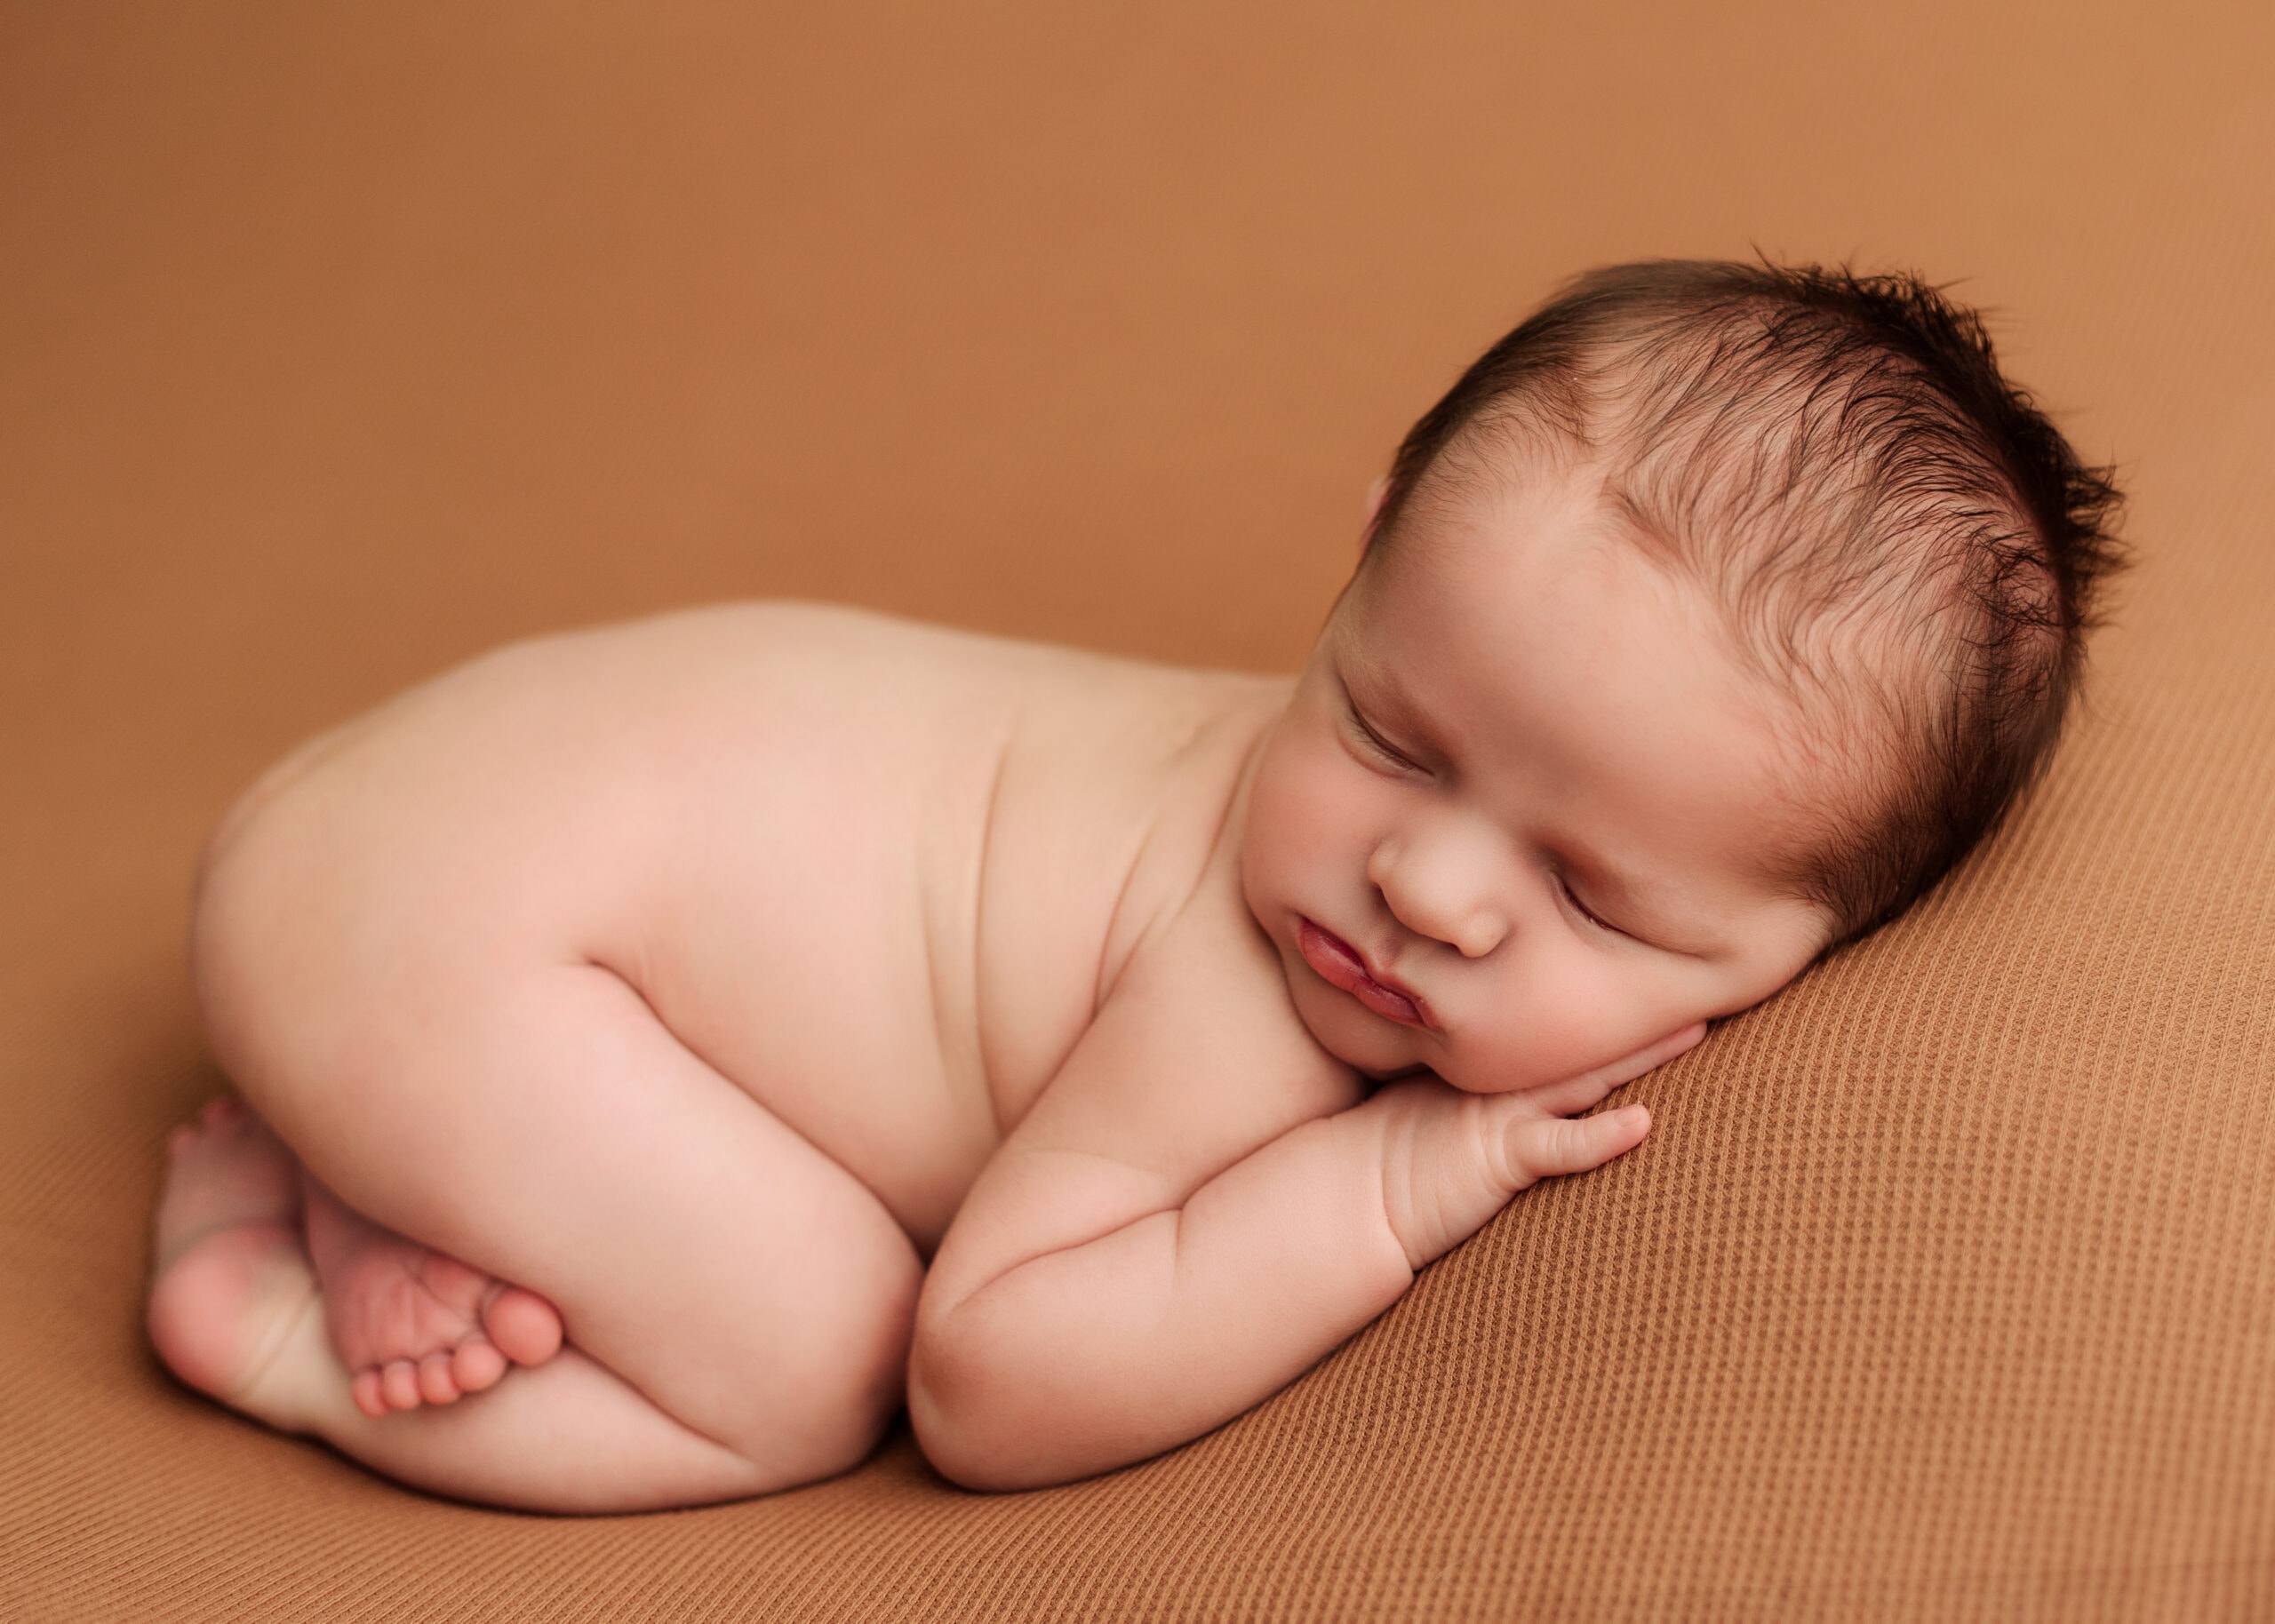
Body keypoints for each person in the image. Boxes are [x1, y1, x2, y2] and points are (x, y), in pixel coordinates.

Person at [144, 259, 2121, 1511]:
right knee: (807, 1354)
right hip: (446, 915)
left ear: (1829, 938)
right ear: (1359, 568)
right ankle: (280, 1310)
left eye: (1593, 897)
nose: (1419, 883)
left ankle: (375, 1159)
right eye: (1387, 733)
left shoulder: (1396, 833)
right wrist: (1389, 1180)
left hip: (443, 828)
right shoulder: (1237, 982)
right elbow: (987, 1377)